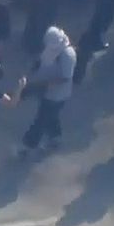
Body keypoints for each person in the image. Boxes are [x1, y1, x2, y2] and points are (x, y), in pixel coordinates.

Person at [18, 26, 77, 157]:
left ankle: (28, 145)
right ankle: (56, 137)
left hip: (57, 95)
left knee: (41, 119)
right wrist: (32, 72)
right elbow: (41, 60)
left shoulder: (67, 55)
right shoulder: (52, 47)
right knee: (50, 116)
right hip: (44, 88)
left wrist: (44, 84)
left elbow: (65, 78)